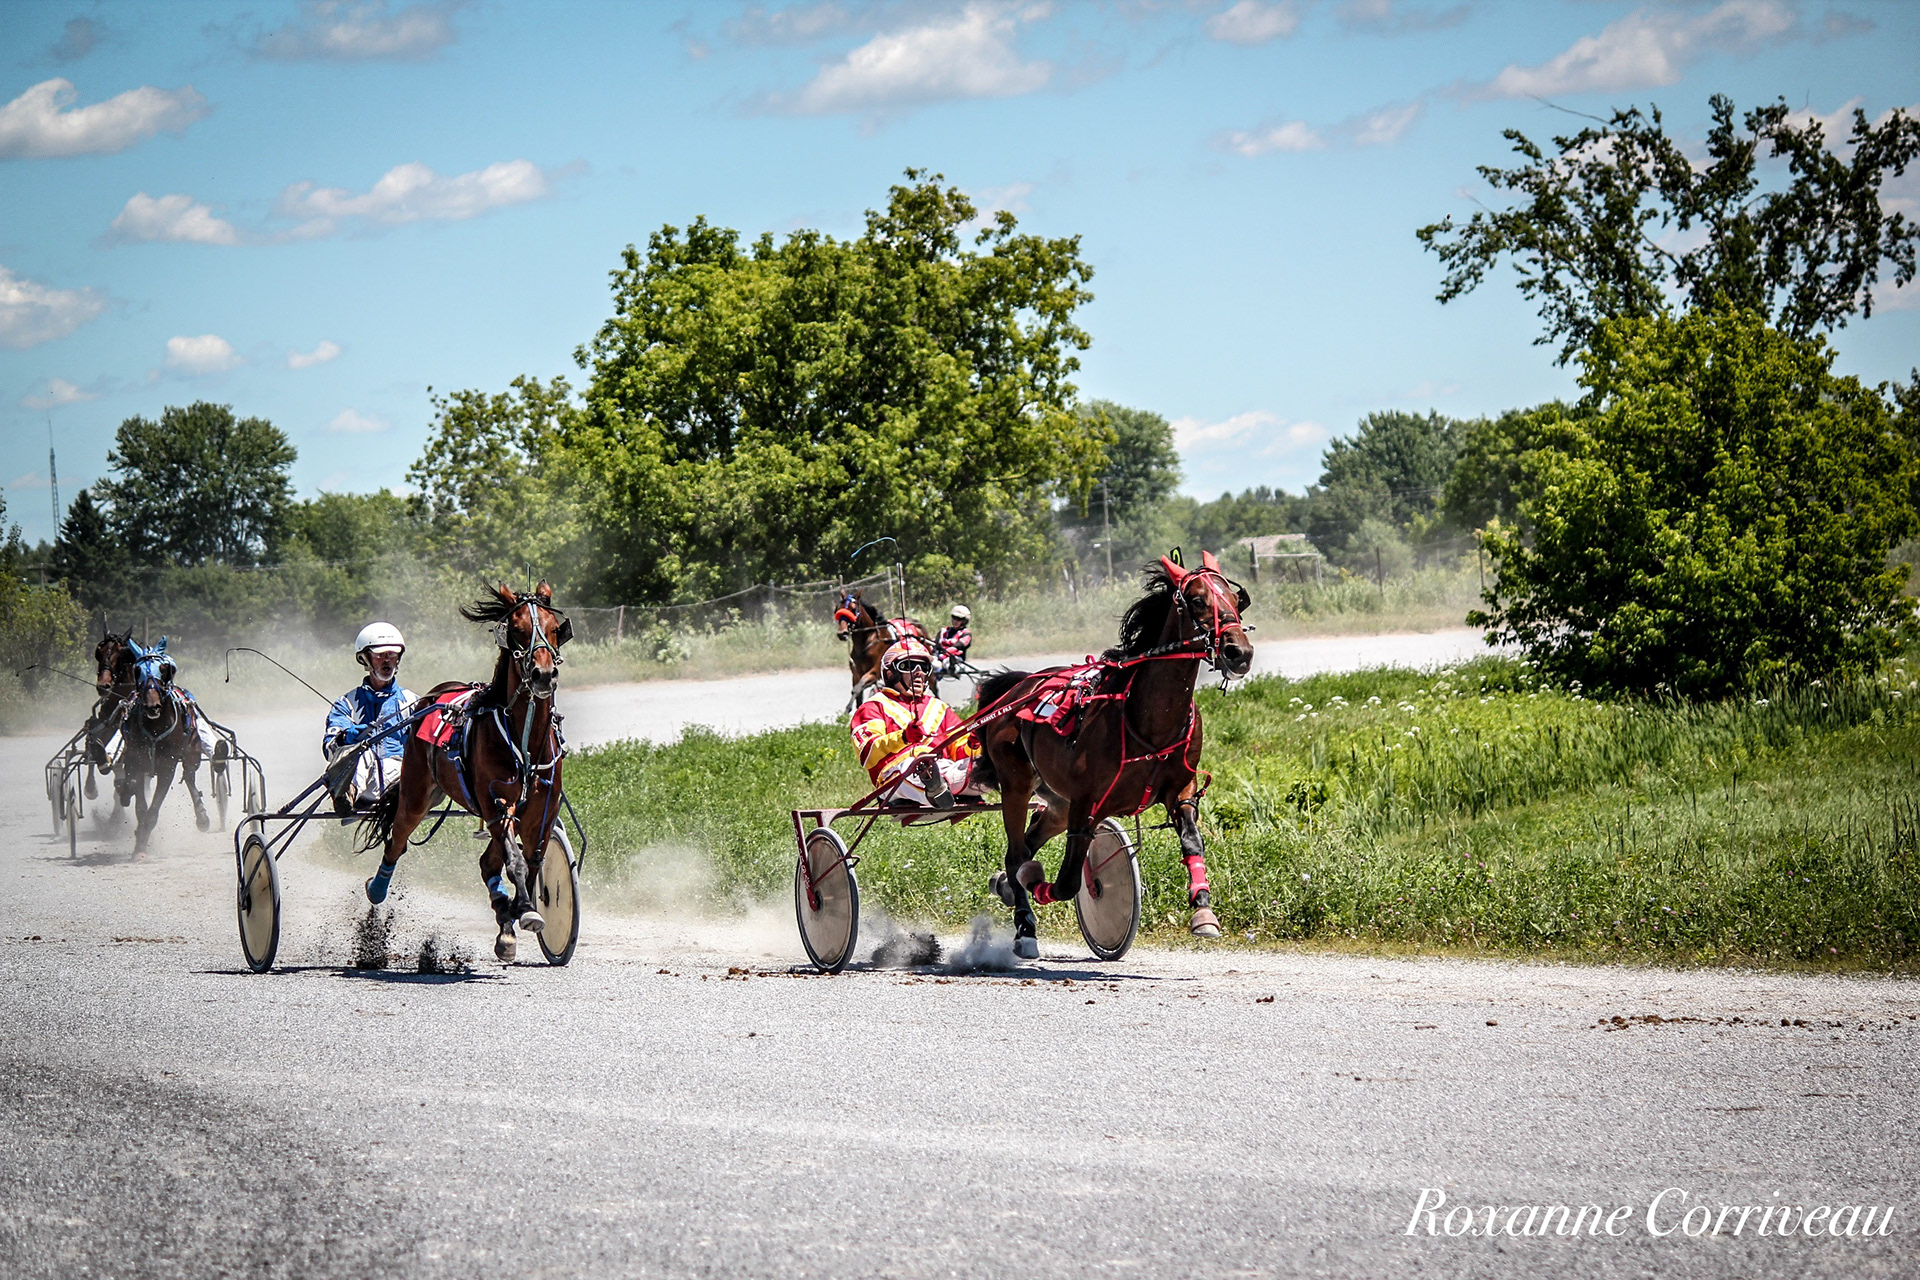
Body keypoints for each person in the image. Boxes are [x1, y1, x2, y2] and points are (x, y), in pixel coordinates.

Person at [849, 636, 981, 809]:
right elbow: (867, 753)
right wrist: (903, 737)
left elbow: (959, 751)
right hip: (896, 778)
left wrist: (974, 743)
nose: (919, 672)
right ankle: (934, 787)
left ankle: (939, 787)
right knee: (915, 763)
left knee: (984, 765)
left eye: (924, 667)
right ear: (890, 672)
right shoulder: (874, 706)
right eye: (909, 666)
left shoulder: (939, 708)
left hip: (943, 771)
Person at [324, 622, 418, 817]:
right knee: (365, 753)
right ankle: (346, 796)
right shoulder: (346, 703)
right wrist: (348, 737)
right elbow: (329, 748)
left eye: (391, 654)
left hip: (400, 781)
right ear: (365, 660)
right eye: (379, 655)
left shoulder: (413, 702)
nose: (387, 661)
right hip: (360, 781)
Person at [934, 604, 973, 679]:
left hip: (956, 659)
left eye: (959, 619)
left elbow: (960, 645)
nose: (955, 621)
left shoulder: (966, 633)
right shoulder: (944, 630)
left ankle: (951, 668)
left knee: (947, 662)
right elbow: (936, 642)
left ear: (964, 621)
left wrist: (946, 652)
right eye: (954, 618)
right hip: (939, 657)